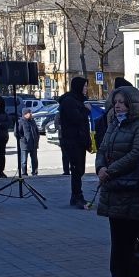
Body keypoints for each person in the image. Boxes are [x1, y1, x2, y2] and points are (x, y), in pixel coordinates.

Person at [96, 86, 139, 277]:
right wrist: (100, 167)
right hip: (113, 188)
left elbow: (137, 153)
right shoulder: (113, 125)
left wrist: (111, 170)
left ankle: (135, 275)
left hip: (130, 186)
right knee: (116, 234)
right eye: (115, 102)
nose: (117, 106)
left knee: (132, 234)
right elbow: (102, 148)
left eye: (122, 102)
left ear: (132, 104)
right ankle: (118, 274)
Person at [58, 77, 92, 207]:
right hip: (72, 141)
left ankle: (76, 196)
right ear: (78, 87)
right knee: (77, 170)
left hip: (79, 140)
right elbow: (76, 118)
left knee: (79, 169)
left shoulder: (77, 100)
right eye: (84, 86)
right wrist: (86, 110)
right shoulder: (69, 101)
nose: (86, 89)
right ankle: (77, 196)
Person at [15, 107, 40, 176]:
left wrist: (37, 138)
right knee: (24, 160)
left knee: (34, 159)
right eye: (30, 113)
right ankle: (24, 173)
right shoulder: (20, 121)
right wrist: (23, 139)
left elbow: (37, 131)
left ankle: (34, 172)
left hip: (33, 143)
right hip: (25, 144)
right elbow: (17, 132)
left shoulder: (32, 121)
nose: (31, 114)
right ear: (25, 114)